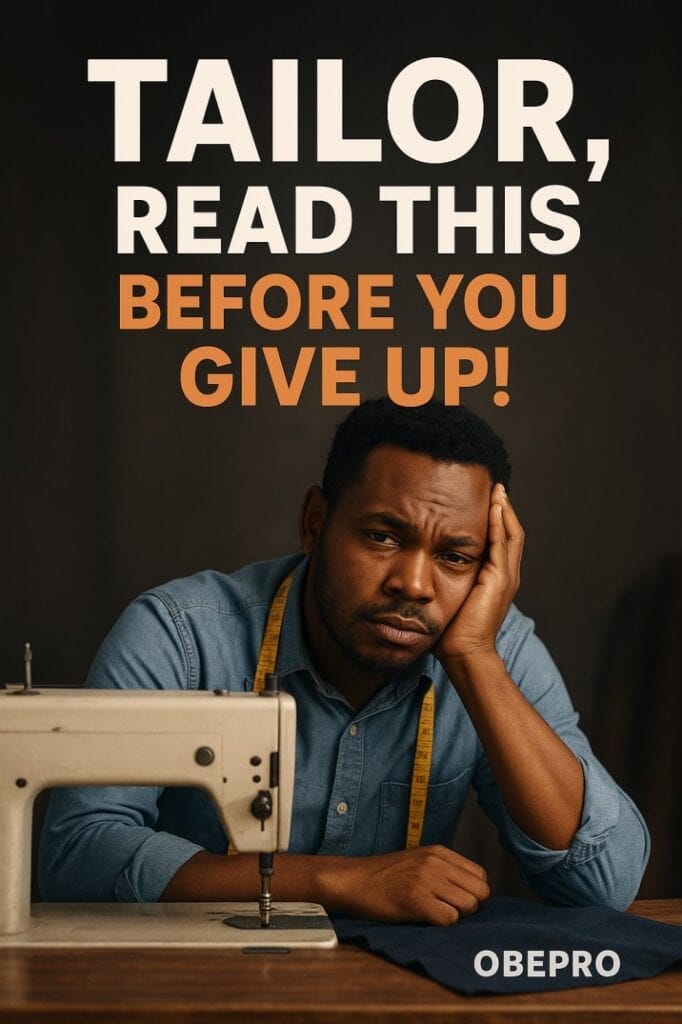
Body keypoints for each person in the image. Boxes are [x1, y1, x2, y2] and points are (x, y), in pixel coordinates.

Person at [38, 398, 650, 924]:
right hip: (189, 986)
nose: (414, 584)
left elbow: (607, 883)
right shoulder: (180, 635)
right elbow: (77, 855)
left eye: (455, 557)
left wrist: (474, 659)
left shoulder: (491, 647)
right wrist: (338, 881)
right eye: (383, 536)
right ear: (315, 523)